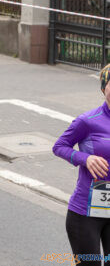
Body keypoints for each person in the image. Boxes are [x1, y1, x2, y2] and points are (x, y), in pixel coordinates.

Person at [53, 64, 110, 266]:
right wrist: (85, 159)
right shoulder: (88, 121)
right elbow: (59, 146)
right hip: (86, 214)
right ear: (104, 88)